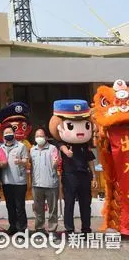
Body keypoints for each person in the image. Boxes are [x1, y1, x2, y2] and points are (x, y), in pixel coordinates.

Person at [49, 99, 97, 236]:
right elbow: (61, 146)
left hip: (84, 176)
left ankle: (86, 229)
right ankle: (69, 229)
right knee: (69, 203)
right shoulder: (62, 142)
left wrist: (93, 176)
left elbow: (90, 160)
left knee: (85, 204)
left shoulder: (84, 146)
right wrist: (66, 151)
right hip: (69, 176)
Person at [30, 128, 60, 236]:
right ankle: (39, 229)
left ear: (46, 137)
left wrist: (56, 163)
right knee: (38, 209)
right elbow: (30, 166)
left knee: (52, 210)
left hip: (51, 184)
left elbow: (55, 162)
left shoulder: (52, 149)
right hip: (37, 184)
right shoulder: (32, 150)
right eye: (37, 136)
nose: (39, 138)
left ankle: (52, 230)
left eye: (41, 136)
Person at [0, 125, 29, 236]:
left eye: (10, 132)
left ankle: (22, 229)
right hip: (6, 181)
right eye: (6, 133)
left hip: (19, 182)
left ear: (14, 133)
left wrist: (20, 161)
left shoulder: (21, 146)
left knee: (20, 206)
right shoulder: (0, 148)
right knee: (10, 206)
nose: (8, 134)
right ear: (3, 135)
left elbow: (26, 161)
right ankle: (13, 226)